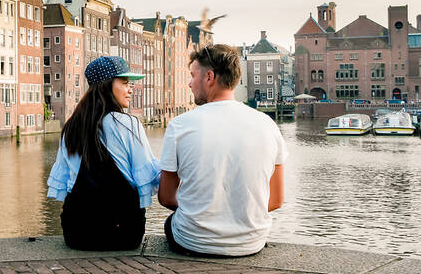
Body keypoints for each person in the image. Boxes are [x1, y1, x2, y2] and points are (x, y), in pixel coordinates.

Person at [158, 44, 287, 257]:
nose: (189, 84)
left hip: (193, 241)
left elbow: (166, 197)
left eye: (192, 75)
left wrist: (204, 211)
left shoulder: (180, 125)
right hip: (251, 242)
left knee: (171, 223)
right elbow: (275, 201)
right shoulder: (268, 124)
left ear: (209, 77)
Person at [47, 56, 160, 251]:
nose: (130, 89)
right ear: (107, 86)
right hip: (121, 233)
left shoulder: (70, 128)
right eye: (125, 83)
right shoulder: (128, 124)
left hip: (76, 233)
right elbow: (148, 178)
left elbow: (66, 184)